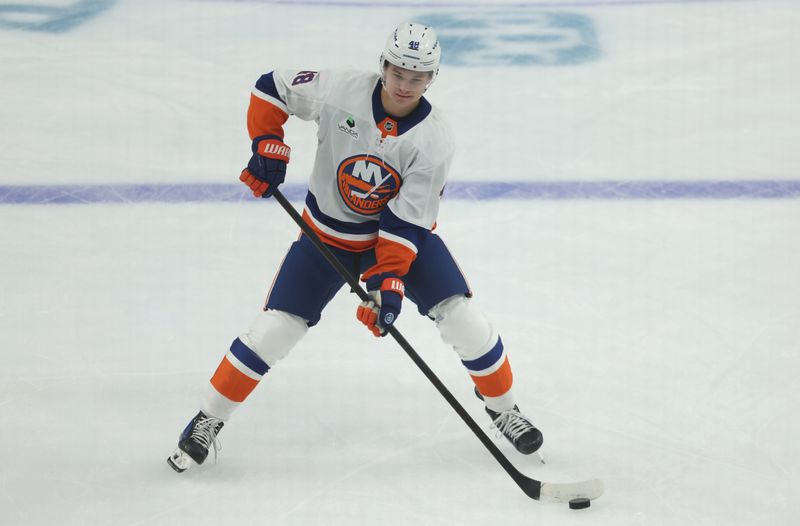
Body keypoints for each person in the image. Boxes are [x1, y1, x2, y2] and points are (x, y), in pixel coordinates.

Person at [167, 22, 543, 473]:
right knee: (274, 330)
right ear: (382, 65)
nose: (404, 85)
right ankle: (208, 419)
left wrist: (388, 283)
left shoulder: (435, 139)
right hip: (325, 237)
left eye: (417, 76)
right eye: (398, 71)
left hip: (398, 242)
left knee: (463, 318)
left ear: (432, 79)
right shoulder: (340, 90)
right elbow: (272, 87)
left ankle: (505, 410)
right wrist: (267, 142)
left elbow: (406, 221)